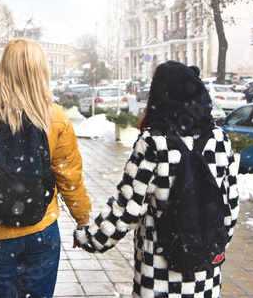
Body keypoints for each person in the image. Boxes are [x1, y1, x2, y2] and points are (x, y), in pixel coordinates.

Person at [74, 60, 239, 297]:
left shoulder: (154, 142)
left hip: (159, 270)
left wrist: (89, 238)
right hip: (205, 273)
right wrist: (209, 247)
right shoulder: (219, 140)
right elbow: (231, 205)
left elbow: (127, 207)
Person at [0, 38, 92, 298]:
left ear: (3, 68)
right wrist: (83, 220)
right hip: (42, 231)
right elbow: (70, 177)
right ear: (41, 71)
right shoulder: (54, 117)